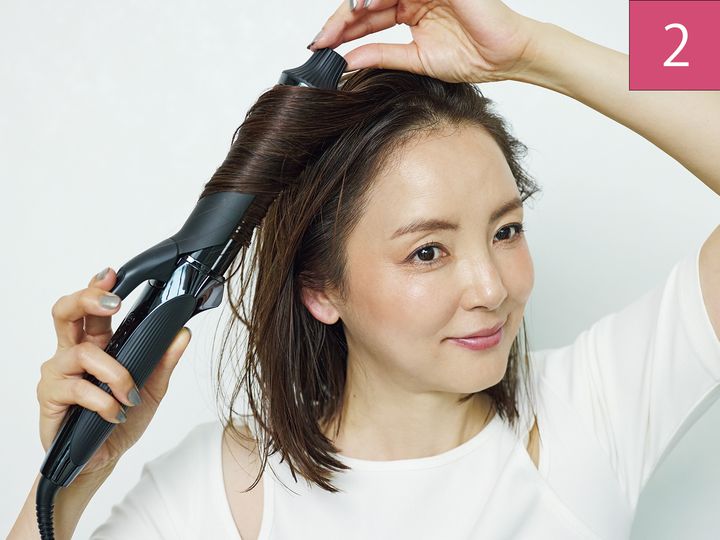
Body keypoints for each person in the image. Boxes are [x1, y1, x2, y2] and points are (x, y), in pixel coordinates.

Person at [10, 0, 720, 538]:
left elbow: (703, 32)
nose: (492, 287)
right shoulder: (224, 488)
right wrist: (69, 485)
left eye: (506, 231)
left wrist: (532, 51)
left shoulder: (587, 411)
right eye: (427, 251)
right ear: (320, 287)